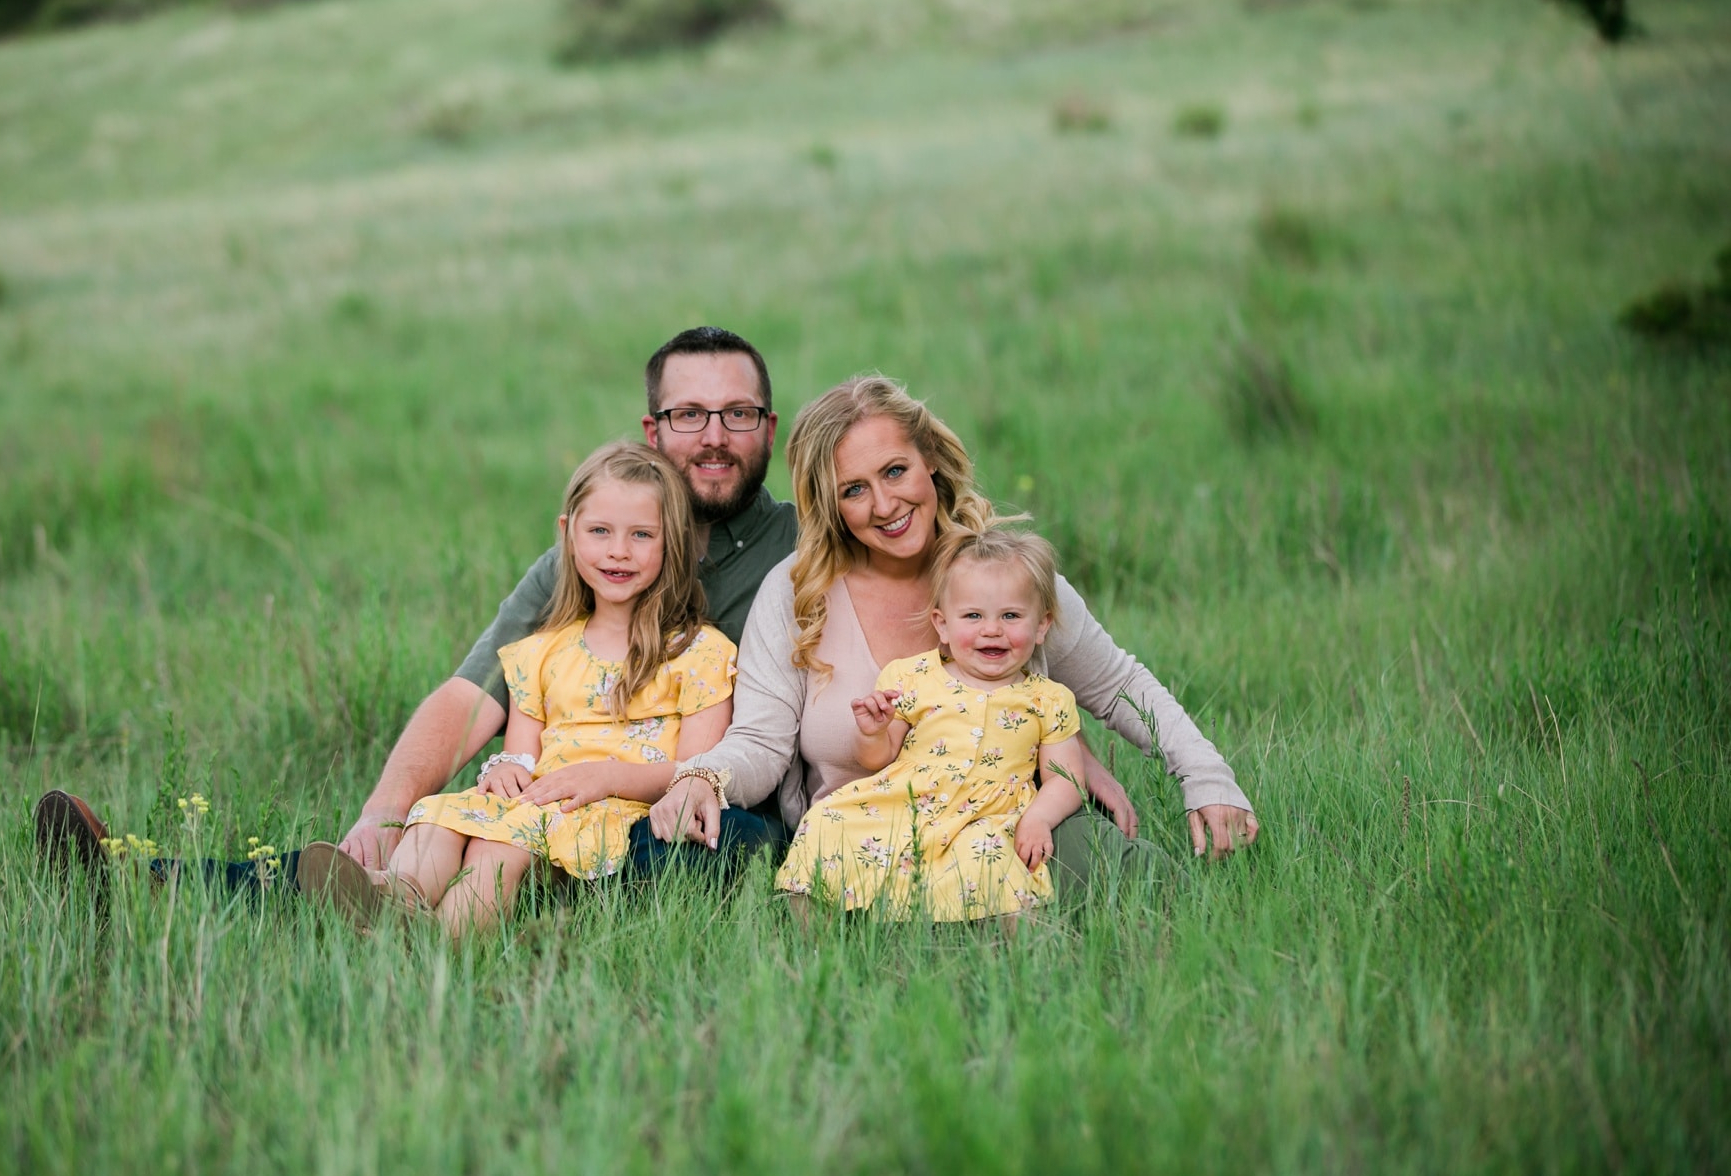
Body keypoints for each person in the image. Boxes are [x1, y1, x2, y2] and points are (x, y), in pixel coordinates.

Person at [34, 327, 794, 891]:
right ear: (653, 432)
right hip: (559, 804)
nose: (715, 437)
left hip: (704, 802)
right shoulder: (590, 564)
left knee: (715, 842)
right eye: (690, 416)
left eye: (737, 414)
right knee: (420, 844)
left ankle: (526, 909)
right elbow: (475, 697)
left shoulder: (805, 544)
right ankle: (147, 881)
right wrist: (384, 811)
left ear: (769, 425)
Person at [649, 375, 1259, 887]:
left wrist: (1207, 778)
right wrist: (703, 775)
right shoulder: (798, 591)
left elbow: (1119, 682)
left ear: (930, 460)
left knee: (1150, 898)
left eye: (895, 471)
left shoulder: (1001, 573)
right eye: (854, 490)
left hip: (1012, 833)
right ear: (830, 504)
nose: (884, 504)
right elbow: (760, 740)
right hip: (863, 843)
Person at [295, 443, 737, 934]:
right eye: (599, 532)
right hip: (539, 803)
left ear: (672, 541)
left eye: (641, 535)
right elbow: (522, 755)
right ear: (568, 536)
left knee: (497, 845)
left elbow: (696, 770)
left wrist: (603, 777)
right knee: (440, 817)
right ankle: (394, 897)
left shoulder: (700, 654)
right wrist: (507, 768)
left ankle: (444, 944)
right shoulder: (541, 651)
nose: (618, 550)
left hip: (608, 811)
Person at [775, 526, 1084, 922]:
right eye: (973, 616)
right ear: (942, 624)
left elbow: (1066, 778)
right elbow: (879, 757)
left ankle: (995, 949)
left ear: (1042, 625)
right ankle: (812, 933)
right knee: (827, 822)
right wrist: (872, 731)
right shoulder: (913, 676)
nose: (992, 629)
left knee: (991, 861)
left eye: (1011, 616)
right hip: (907, 802)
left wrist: (1038, 819)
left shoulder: (1048, 699)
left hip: (987, 817)